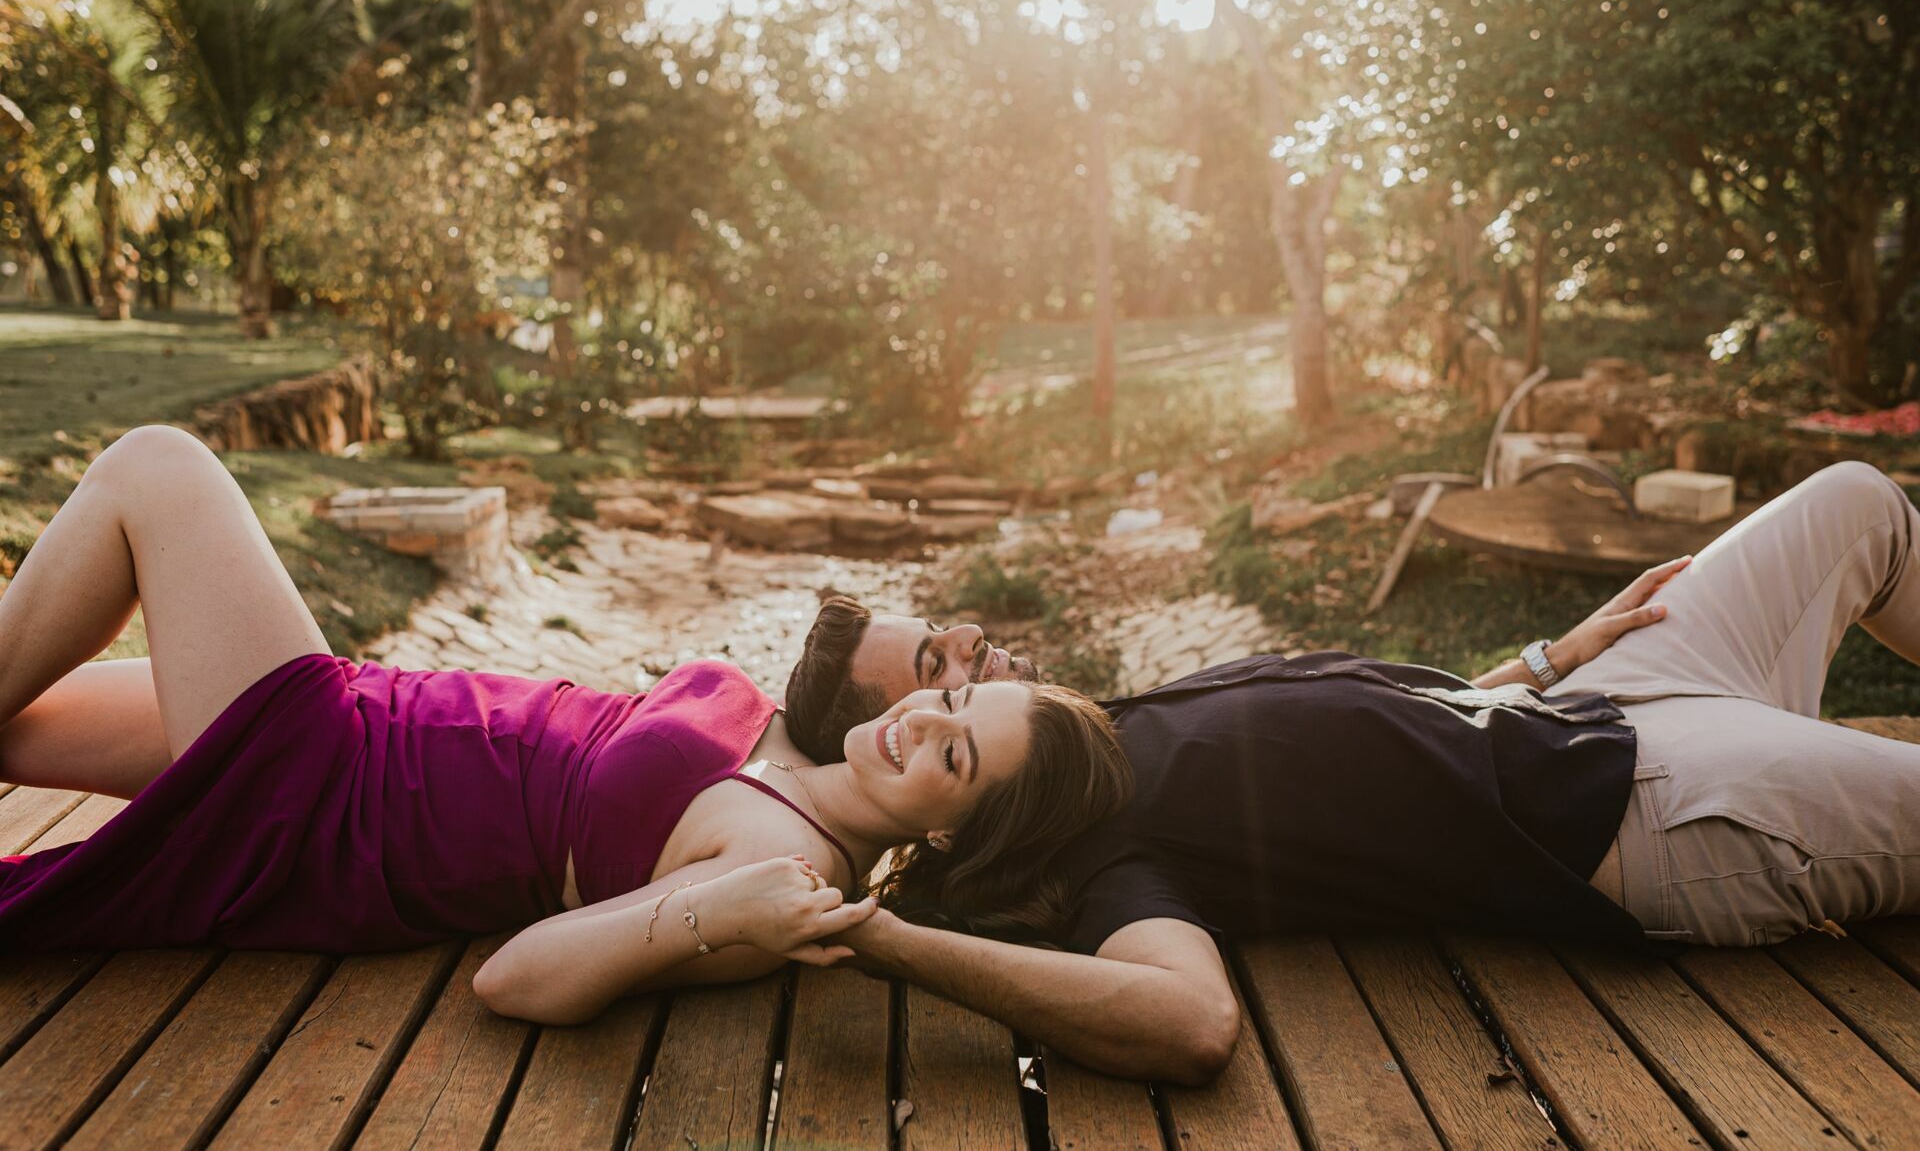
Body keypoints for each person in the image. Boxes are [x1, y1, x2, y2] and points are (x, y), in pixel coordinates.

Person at [782, 460, 1920, 1083]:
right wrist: (890, 941)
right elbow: (1189, 1021)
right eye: (931, 697)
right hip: (1658, 808)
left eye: (954, 682)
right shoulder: (1110, 851)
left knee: (1860, 505)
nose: (961, 664)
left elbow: (1369, 739)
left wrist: (1545, 658)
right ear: (951, 815)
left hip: (1594, 703)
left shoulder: (1084, 725)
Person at [0, 426, 1132, 1026]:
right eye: (946, 695)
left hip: (336, 803)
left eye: (956, 753)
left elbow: (514, 979)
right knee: (20, 723)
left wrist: (709, 912)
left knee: (160, 469)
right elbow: (852, 659)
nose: (922, 720)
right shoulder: (809, 746)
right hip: (372, 713)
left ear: (951, 835)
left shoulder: (783, 877)